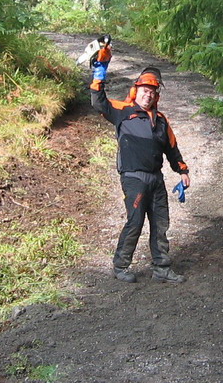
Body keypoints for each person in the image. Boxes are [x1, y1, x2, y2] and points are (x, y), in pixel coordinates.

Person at [89, 41, 191, 284]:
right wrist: (100, 70)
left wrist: (182, 170)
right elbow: (98, 101)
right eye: (144, 90)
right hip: (133, 178)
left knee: (160, 223)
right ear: (137, 91)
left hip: (156, 179)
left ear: (157, 95)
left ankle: (161, 267)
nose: (148, 94)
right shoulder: (123, 111)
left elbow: (172, 149)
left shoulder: (162, 121)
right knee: (135, 221)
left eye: (152, 92)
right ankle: (121, 265)